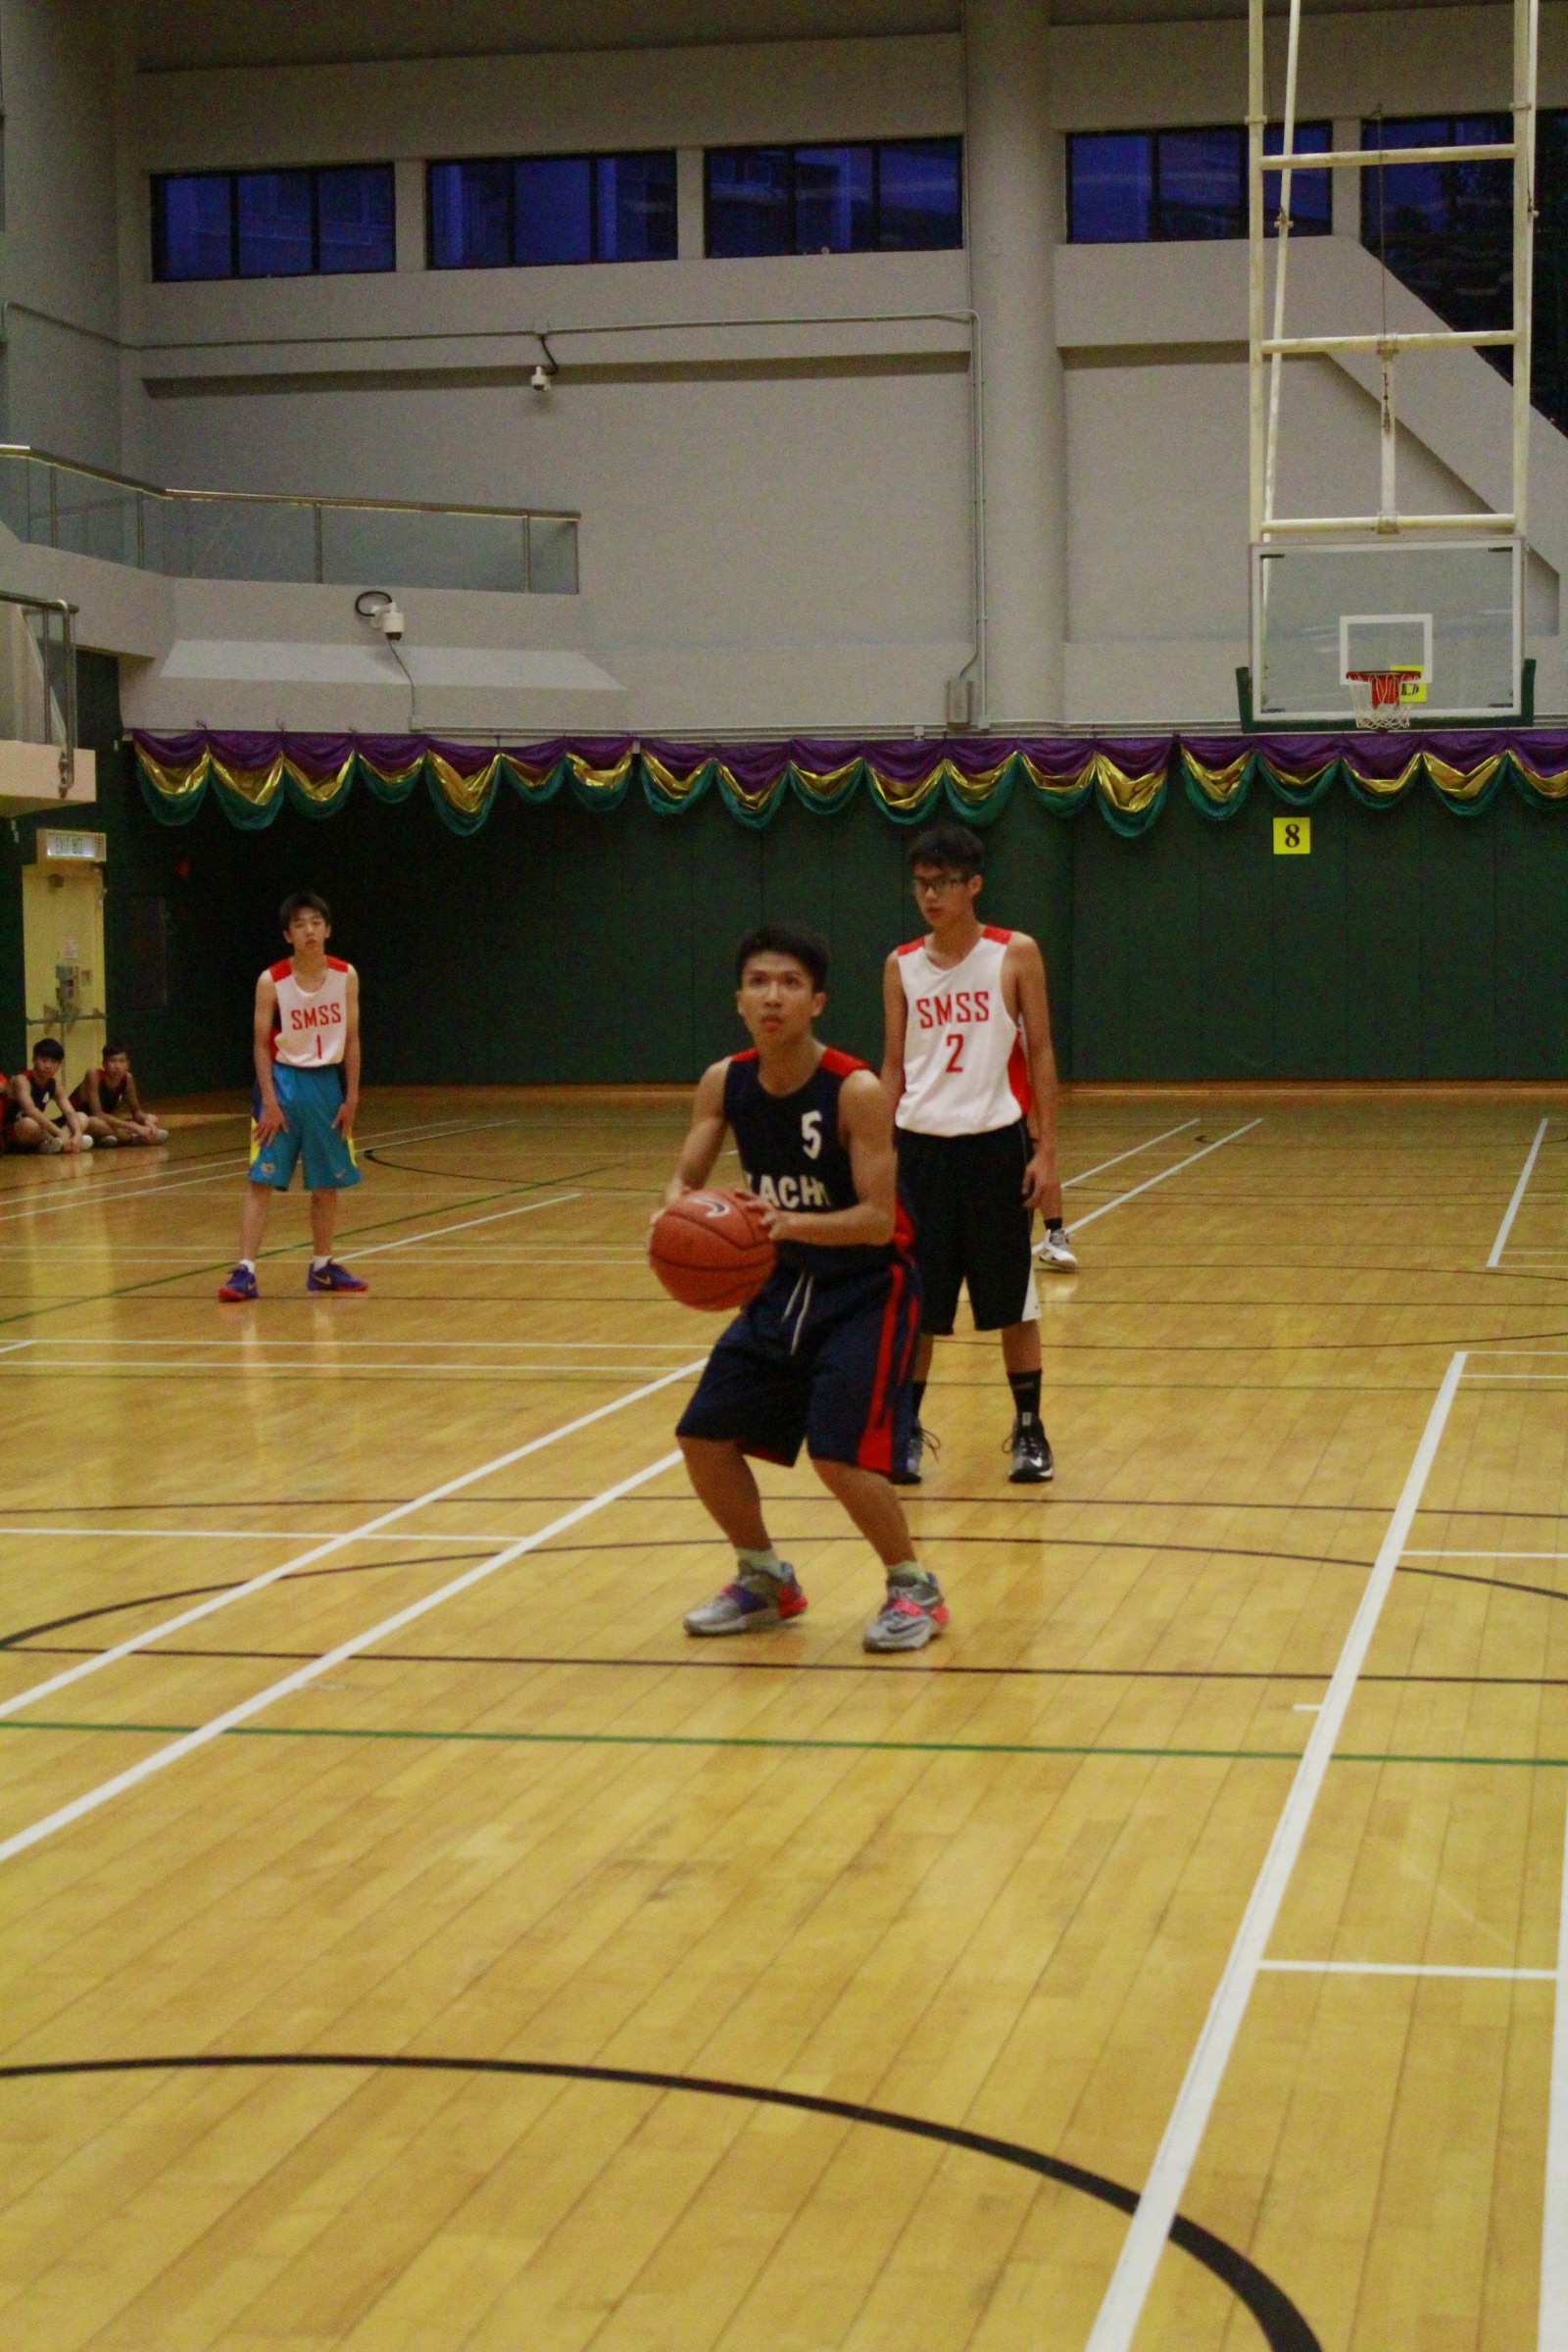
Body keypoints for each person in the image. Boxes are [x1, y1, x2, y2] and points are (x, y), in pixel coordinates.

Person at [666, 923, 944, 1651]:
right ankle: (764, 1579)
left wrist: (787, 1222)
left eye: (790, 984)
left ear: (816, 1002)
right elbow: (683, 1182)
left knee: (838, 1454)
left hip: (867, 1289)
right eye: (758, 982)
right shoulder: (723, 1082)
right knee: (702, 1436)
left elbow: (879, 1222)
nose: (772, 997)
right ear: (738, 999)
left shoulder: (856, 1091)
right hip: (781, 1286)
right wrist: (677, 1219)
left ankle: (914, 1587)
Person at [879, 820, 1069, 1487]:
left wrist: (1047, 1151)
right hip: (921, 1152)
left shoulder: (1015, 954)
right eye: (921, 884)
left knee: (1013, 1302)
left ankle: (1030, 1431)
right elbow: (893, 1066)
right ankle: (904, 1430)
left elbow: (1040, 1050)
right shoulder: (901, 965)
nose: (930, 895)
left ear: (975, 885)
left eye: (944, 883)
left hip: (995, 1146)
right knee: (918, 1306)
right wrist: (875, 1153)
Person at [219, 891, 367, 1299]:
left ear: (328, 929)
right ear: (288, 935)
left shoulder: (346, 976)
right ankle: (244, 1271)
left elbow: (352, 1039)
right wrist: (269, 1099)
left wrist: (352, 1096)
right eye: (300, 925)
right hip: (282, 1083)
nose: (309, 931)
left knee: (326, 1183)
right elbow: (259, 1045)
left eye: (316, 923)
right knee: (261, 1180)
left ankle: (322, 1266)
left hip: (326, 1084)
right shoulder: (271, 981)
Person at [3, 1040, 92, 1154]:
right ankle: (59, 1141)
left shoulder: (55, 1084)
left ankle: (64, 1143)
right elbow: (31, 1111)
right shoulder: (22, 1080)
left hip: (40, 1128)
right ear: (34, 1060)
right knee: (28, 1123)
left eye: (54, 1062)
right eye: (44, 1060)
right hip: (16, 1129)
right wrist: (60, 1133)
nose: (48, 1066)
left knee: (82, 1117)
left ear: (59, 1065)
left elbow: (69, 1112)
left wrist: (78, 1134)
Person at [71, 1046, 169, 1147]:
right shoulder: (94, 1075)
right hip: (80, 1121)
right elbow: (98, 1114)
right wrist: (134, 1127)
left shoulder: (128, 1079)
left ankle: (107, 1138)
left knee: (151, 1118)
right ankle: (133, 1138)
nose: (117, 1066)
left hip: (105, 1121)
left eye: (122, 1061)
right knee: (95, 1122)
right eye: (112, 1061)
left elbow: (136, 1111)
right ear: (104, 1064)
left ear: (128, 1065)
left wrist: (146, 1121)